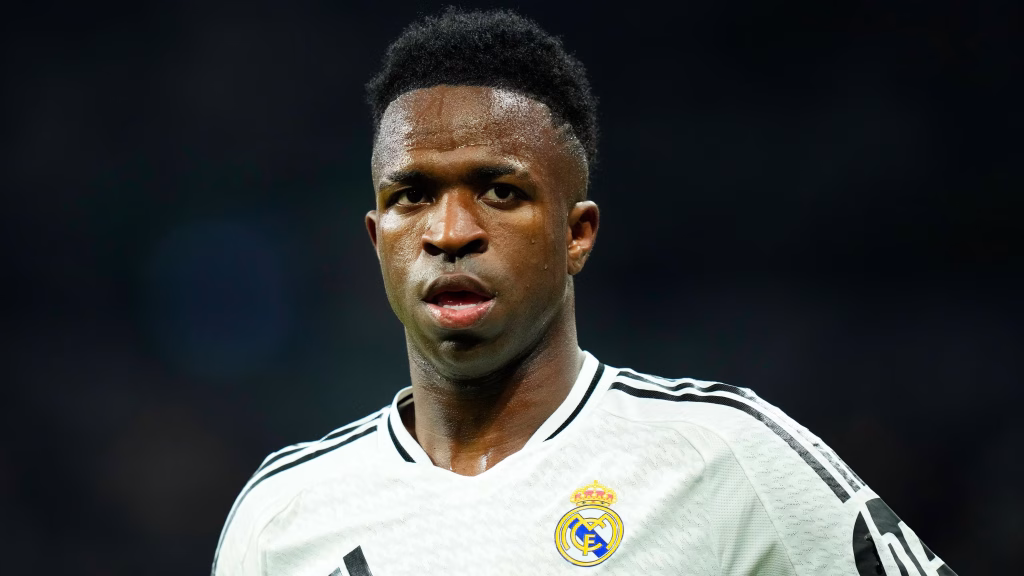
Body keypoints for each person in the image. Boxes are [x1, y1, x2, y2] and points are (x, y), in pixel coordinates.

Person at [213, 9, 955, 576]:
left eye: (500, 192)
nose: (450, 232)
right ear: (378, 239)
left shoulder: (723, 456)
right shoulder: (282, 516)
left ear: (577, 234)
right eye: (412, 196)